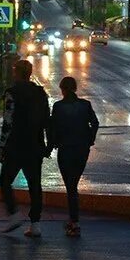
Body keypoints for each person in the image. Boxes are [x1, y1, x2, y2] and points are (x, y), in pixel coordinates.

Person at [0, 59, 51, 238]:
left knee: (5, 180)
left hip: (15, 145)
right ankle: (35, 224)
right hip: (35, 145)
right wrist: (47, 145)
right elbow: (46, 120)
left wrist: (2, 146)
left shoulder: (12, 93)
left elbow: (8, 121)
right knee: (35, 185)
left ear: (16, 72)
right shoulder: (40, 93)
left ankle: (13, 215)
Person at [48, 76, 99, 238]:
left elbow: (52, 128)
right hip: (82, 149)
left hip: (65, 149)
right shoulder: (85, 105)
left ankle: (74, 222)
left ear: (62, 89)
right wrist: (90, 139)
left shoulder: (58, 107)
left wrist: (51, 145)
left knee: (70, 185)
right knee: (73, 183)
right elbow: (95, 123)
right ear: (75, 88)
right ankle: (73, 220)